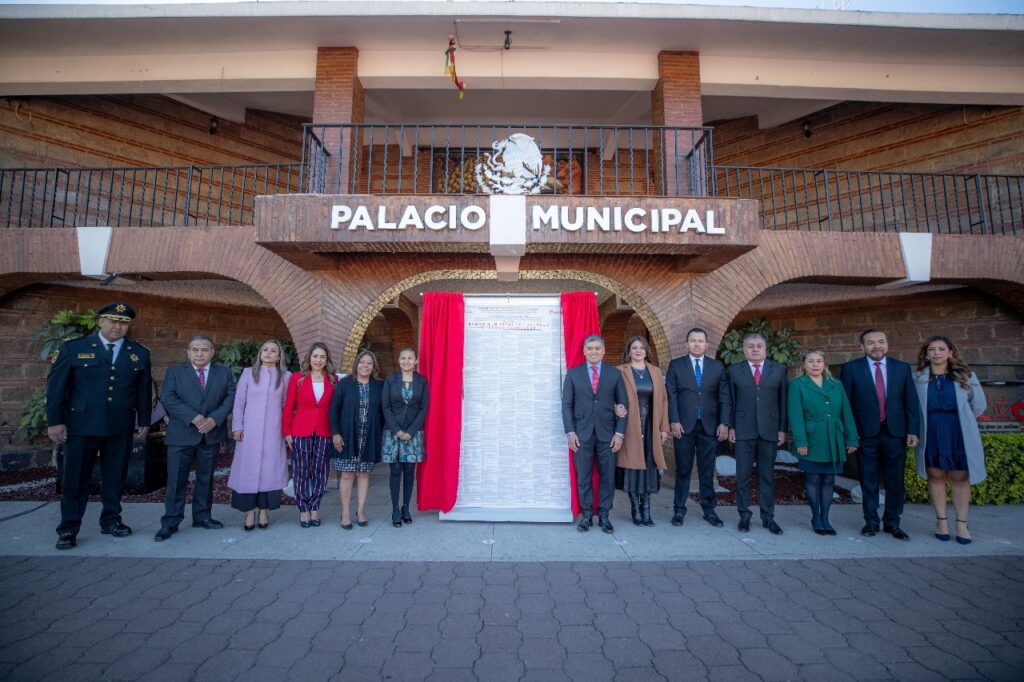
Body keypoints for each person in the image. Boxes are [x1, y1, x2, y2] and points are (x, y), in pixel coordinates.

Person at [46, 302, 152, 550]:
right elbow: (56, 388)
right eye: (113, 321)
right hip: (82, 424)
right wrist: (55, 421)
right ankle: (69, 528)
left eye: (123, 322)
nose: (118, 326)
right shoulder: (74, 348)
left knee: (115, 476)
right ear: (100, 321)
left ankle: (111, 520)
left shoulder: (138, 353)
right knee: (76, 479)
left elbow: (143, 390)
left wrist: (144, 419)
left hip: (120, 425)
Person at [841, 329, 921, 540]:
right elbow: (846, 406)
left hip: (895, 432)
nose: (877, 346)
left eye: (881, 342)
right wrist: (850, 434)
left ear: (887, 344)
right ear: (862, 347)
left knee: (895, 480)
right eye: (871, 343)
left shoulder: (902, 368)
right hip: (865, 434)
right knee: (868, 479)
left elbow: (911, 401)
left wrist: (913, 429)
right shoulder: (851, 369)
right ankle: (871, 522)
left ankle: (893, 523)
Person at [155, 335, 236, 541]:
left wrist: (215, 419)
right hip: (182, 433)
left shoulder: (224, 373)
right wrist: (194, 417)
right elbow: (168, 398)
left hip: (210, 434)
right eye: (195, 349)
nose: (200, 353)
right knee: (176, 480)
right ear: (188, 352)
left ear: (212, 352)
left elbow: (230, 397)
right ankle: (171, 521)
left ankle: (202, 516)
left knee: (205, 478)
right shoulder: (175, 372)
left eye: (204, 349)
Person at [913, 336, 987, 545]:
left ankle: (962, 524)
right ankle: (941, 522)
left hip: (958, 432)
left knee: (960, 477)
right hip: (931, 432)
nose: (936, 353)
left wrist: (960, 419)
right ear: (926, 354)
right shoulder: (917, 378)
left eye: (941, 349)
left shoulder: (965, 376)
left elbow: (978, 406)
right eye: (932, 349)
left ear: (950, 353)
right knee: (935, 475)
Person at [664, 327, 731, 528]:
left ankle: (709, 511)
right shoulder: (676, 365)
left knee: (706, 470)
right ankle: (679, 510)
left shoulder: (717, 366)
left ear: (706, 345)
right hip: (683, 426)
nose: (696, 344)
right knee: (683, 470)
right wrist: (673, 421)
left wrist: (724, 422)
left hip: (709, 426)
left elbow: (724, 397)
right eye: (693, 340)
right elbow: (671, 395)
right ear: (686, 344)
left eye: (700, 341)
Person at [788, 350, 859, 535]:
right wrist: (800, 441)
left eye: (819, 361)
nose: (815, 364)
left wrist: (852, 437)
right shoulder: (797, 385)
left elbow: (847, 412)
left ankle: (826, 518)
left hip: (832, 437)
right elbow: (795, 415)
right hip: (811, 438)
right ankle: (816, 517)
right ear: (803, 365)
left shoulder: (836, 384)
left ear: (825, 364)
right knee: (813, 477)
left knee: (829, 479)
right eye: (810, 361)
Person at [561, 335, 627, 534]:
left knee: (607, 477)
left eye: (597, 348)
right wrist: (570, 433)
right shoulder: (573, 374)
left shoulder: (614, 375)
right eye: (589, 348)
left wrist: (619, 434)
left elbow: (624, 406)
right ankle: (587, 515)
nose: (593, 352)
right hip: (582, 435)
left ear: (603, 351)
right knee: (584, 477)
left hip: (608, 435)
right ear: (584, 351)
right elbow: (566, 406)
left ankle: (605, 515)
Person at [726, 333, 787, 535]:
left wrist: (781, 429)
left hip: (769, 430)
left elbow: (783, 402)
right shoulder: (735, 371)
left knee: (767, 475)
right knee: (742, 476)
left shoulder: (778, 370)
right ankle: (744, 516)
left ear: (765, 348)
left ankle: (768, 517)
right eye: (750, 346)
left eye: (759, 346)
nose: (755, 349)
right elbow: (731, 401)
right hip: (743, 430)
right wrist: (731, 426)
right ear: (744, 349)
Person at [228, 340, 290, 531]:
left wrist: (287, 431)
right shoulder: (248, 373)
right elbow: (239, 402)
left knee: (269, 471)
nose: (269, 353)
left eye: (273, 351)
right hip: (250, 432)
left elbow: (287, 406)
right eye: (265, 350)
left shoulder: (286, 377)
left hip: (273, 431)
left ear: (279, 356)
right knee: (247, 470)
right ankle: (249, 512)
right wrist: (237, 426)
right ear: (260, 353)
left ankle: (264, 510)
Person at [614, 336, 669, 527]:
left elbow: (663, 401)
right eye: (634, 348)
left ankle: (646, 508)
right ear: (629, 351)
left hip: (651, 424)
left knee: (649, 466)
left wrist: (664, 427)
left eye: (641, 348)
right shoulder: (620, 371)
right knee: (632, 466)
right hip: (630, 425)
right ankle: (635, 509)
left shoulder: (654, 371)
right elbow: (611, 396)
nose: (638, 351)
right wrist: (615, 408)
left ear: (647, 351)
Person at [282, 342, 336, 528]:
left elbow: (334, 408)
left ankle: (315, 507)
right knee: (301, 470)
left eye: (322, 357)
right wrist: (287, 431)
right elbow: (289, 406)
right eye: (315, 356)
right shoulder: (298, 378)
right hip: (300, 430)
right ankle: (303, 509)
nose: (318, 360)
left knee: (320, 471)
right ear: (309, 358)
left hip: (324, 430)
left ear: (326, 359)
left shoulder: (333, 379)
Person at [330, 350, 385, 530]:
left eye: (369, 363)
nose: (365, 366)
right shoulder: (345, 384)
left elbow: (383, 413)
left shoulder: (379, 386)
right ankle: (345, 512)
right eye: (362, 362)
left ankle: (360, 510)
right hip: (347, 436)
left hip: (368, 437)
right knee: (347, 474)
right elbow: (333, 410)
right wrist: (336, 433)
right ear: (356, 364)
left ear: (374, 367)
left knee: (363, 474)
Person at [381, 348, 429, 528]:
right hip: (393, 434)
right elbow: (385, 407)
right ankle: (394, 508)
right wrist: (397, 430)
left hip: (413, 434)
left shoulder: (422, 381)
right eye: (403, 358)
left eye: (410, 358)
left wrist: (411, 430)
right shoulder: (390, 380)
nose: (407, 361)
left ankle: (406, 507)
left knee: (409, 471)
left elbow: (424, 408)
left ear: (415, 361)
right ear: (399, 360)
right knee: (395, 471)